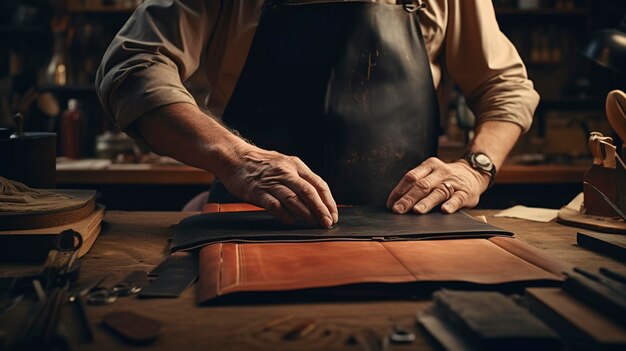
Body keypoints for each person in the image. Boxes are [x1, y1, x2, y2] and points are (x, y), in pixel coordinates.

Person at [96, 0, 539, 228]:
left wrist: (476, 168)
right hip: (255, 224)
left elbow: (506, 86)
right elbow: (133, 68)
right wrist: (239, 160)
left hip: (409, 225)